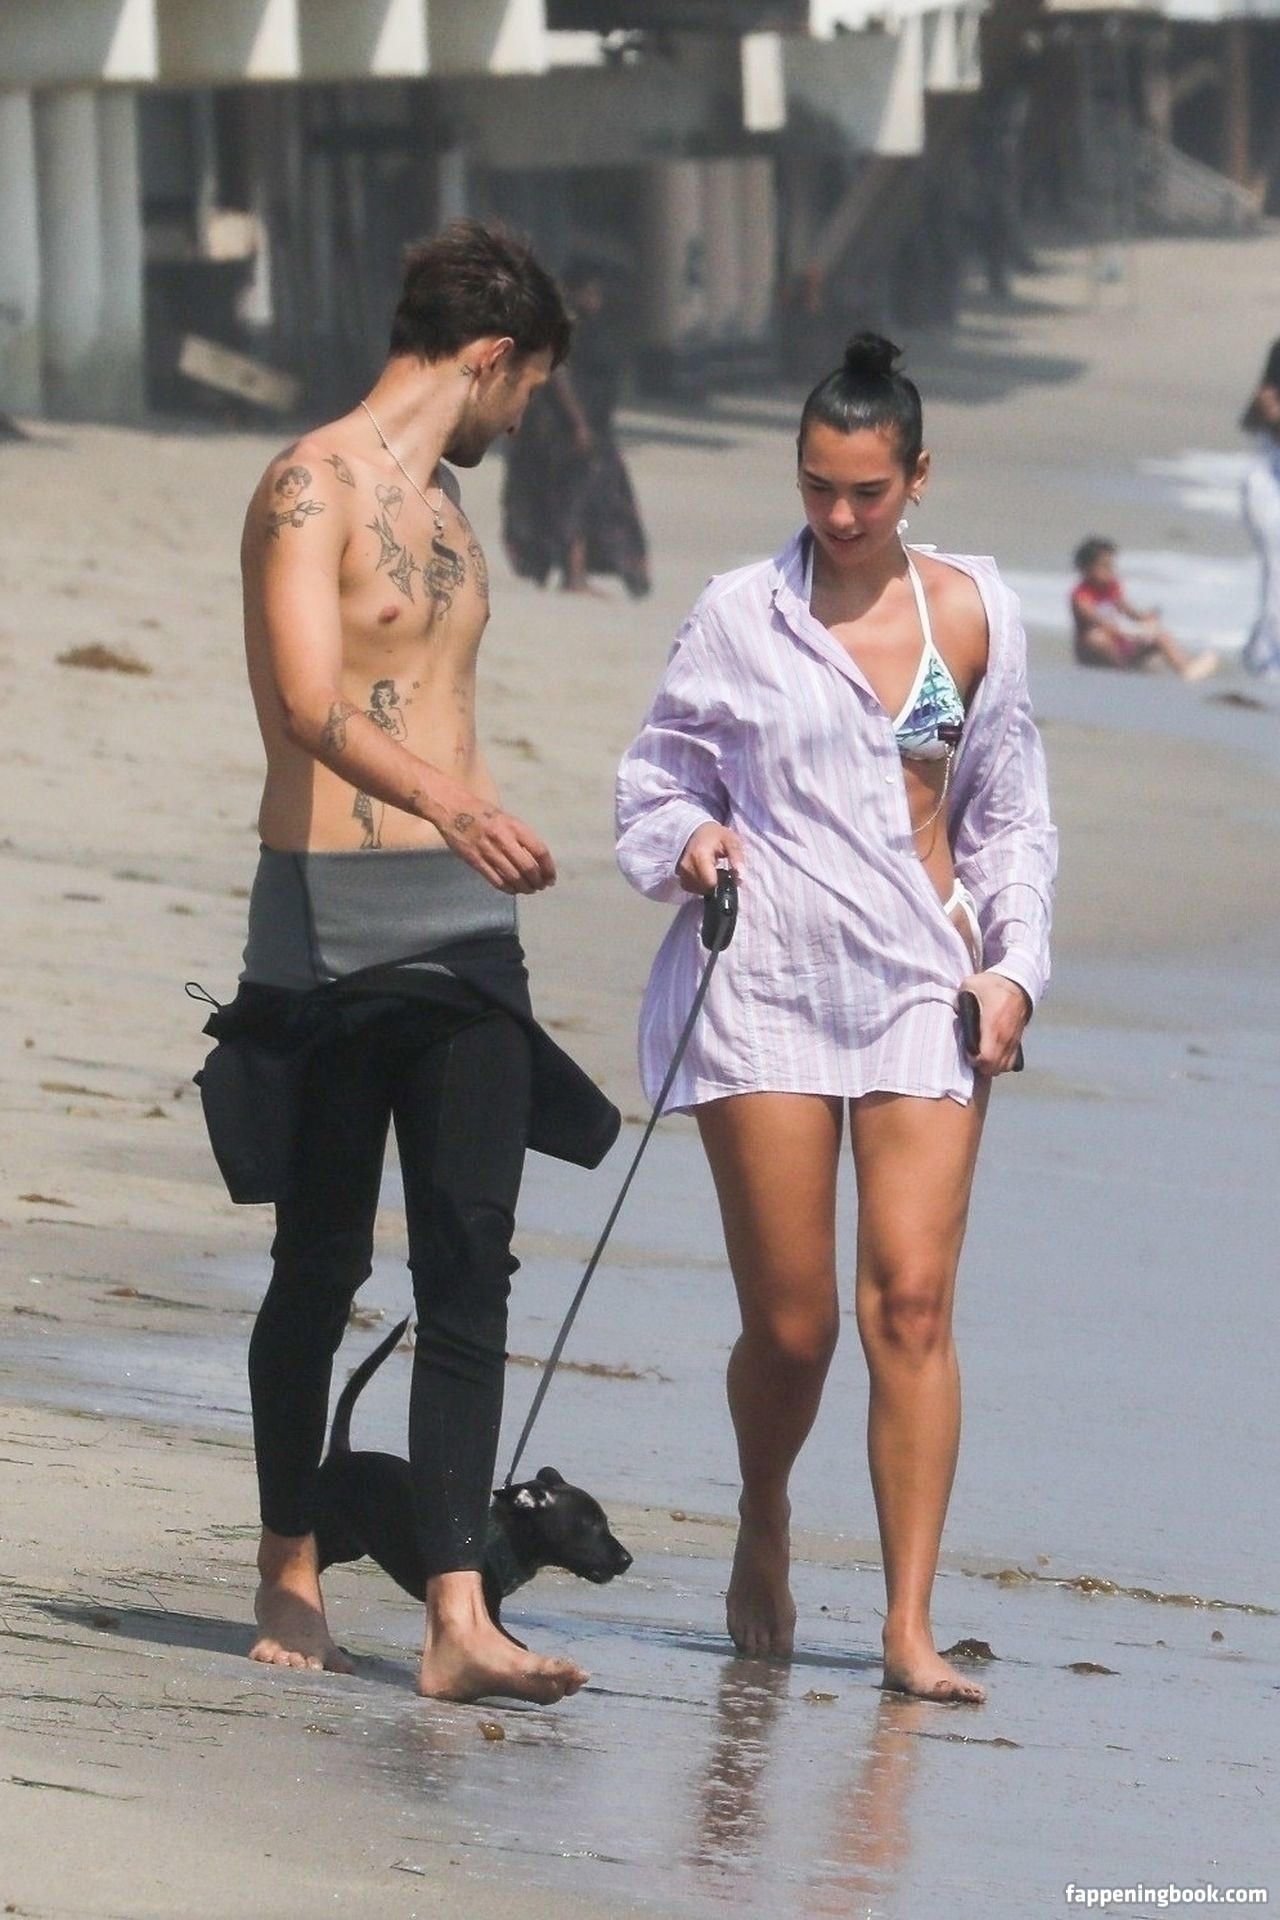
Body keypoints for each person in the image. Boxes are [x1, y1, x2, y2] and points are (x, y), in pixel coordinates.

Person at [616, 333, 1057, 1704]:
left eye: (867, 490)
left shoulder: (971, 613)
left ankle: (908, 1625)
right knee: (796, 1325)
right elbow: (655, 779)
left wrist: (1014, 970)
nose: (842, 515)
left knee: (910, 1305)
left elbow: (1010, 816)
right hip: (766, 987)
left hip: (925, 982)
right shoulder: (739, 614)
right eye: (817, 487)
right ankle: (764, 1513)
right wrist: (690, 842)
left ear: (917, 477)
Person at [227, 219, 619, 1705]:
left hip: (464, 932)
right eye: (527, 392)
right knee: (320, 1260)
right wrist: (453, 805)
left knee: (469, 1260)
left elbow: (436, 696)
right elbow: (306, 701)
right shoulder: (307, 483)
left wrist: (469, 824)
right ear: (490, 358)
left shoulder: (448, 509)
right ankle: (289, 1559)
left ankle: (458, 1611)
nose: (521, 422)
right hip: (328, 924)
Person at [501, 257, 650, 598]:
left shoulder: (592, 325)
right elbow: (559, 374)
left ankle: (583, 573)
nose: (597, 298)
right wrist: (578, 423)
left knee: (594, 499)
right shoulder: (562, 328)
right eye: (591, 291)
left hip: (594, 427)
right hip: (564, 432)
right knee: (575, 500)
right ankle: (574, 576)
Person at [1070, 537, 1218, 681]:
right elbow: (1101, 623)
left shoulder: (1112, 587)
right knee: (1096, 638)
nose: (1110, 571)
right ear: (1086, 569)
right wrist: (1135, 632)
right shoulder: (1081, 595)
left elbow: (1130, 612)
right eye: (1104, 566)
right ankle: (1121, 670)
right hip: (1094, 653)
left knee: (1160, 635)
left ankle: (1185, 668)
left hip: (1120, 645)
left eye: (1111, 566)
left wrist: (1145, 618)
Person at [1240, 339, 1280, 678]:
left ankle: (1260, 648)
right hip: (1269, 476)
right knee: (1277, 565)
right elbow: (1257, 415)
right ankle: (1268, 656)